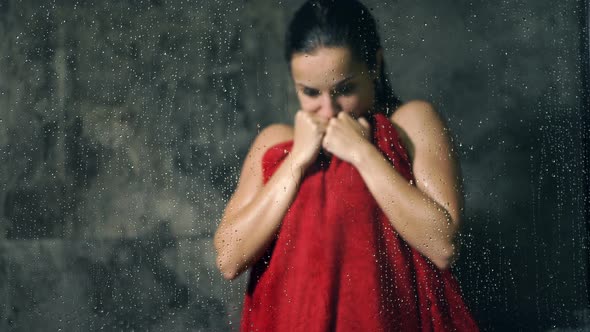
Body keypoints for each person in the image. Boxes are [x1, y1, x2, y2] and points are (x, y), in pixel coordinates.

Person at [214, 0, 479, 330]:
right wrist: (296, 161)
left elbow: (443, 245)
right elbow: (228, 258)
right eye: (310, 92)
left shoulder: (411, 123)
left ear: (375, 66)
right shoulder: (274, 142)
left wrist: (362, 154)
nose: (328, 110)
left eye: (345, 89)